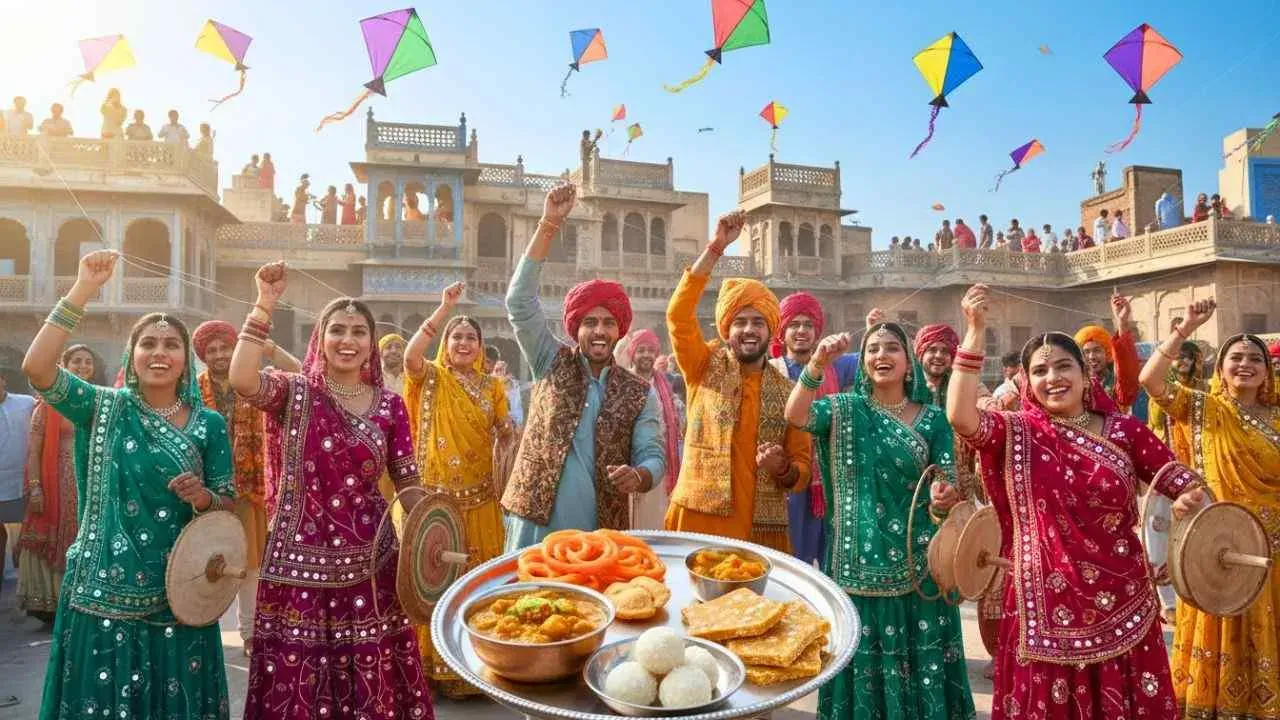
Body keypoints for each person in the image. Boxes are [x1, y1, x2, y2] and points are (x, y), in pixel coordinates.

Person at [947, 283, 1207, 720]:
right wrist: (974, 332)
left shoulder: (1123, 430)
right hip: (1041, 603)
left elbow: (1182, 481)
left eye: (1064, 366)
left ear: (1086, 375)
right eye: (1041, 371)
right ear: (1026, 382)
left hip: (1123, 599)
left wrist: (1187, 500)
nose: (1054, 378)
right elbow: (961, 416)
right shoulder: (1017, 432)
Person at [23, 250, 234, 718]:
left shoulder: (210, 424)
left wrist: (204, 497)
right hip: (102, 587)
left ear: (184, 359)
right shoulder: (102, 406)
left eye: (170, 344)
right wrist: (82, 290)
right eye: (149, 344)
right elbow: (37, 370)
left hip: (181, 589)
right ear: (132, 355)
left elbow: (228, 505)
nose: (159, 353)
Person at [231, 262, 434, 719]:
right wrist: (264, 303)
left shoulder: (390, 405)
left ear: (370, 346)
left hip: (371, 559)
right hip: (300, 560)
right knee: (300, 673)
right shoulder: (295, 393)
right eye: (337, 330)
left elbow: (407, 480)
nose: (347, 340)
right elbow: (242, 379)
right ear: (320, 340)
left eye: (358, 331)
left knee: (371, 667)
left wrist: (429, 536)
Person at [785, 326, 975, 720]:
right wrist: (818, 363)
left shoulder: (933, 418)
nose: (880, 355)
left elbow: (947, 480)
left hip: (920, 565)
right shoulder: (843, 409)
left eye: (892, 348)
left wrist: (943, 496)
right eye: (872, 349)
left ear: (909, 364)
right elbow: (796, 414)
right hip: (856, 567)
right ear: (865, 362)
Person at [501, 185, 665, 550]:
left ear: (620, 330)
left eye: (608, 322)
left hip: (600, 531)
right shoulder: (550, 360)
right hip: (534, 524)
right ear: (575, 328)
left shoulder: (639, 391)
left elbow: (653, 454)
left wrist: (639, 476)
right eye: (590, 322)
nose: (600, 330)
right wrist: (548, 224)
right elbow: (519, 302)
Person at [1139, 300, 1280, 720]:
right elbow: (1150, 380)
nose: (1245, 365)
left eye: (1255, 358)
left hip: (1271, 546)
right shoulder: (1204, 408)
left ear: (1268, 371)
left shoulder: (1277, 417)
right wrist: (1183, 330)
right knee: (1220, 625)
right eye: (1235, 358)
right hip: (1218, 546)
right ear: (1220, 369)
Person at [664, 210, 810, 552]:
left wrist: (782, 468)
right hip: (697, 525)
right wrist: (716, 247)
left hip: (760, 535)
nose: (748, 330)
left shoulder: (789, 392)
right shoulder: (701, 366)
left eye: (758, 322)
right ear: (726, 329)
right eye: (740, 321)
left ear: (770, 331)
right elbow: (678, 314)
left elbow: (801, 470)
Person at [402, 282, 514, 698]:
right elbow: (412, 356)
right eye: (457, 337)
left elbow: (505, 431)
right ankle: (429, 670)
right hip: (436, 504)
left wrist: (510, 437)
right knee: (431, 583)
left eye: (471, 337)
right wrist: (442, 309)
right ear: (446, 345)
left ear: (481, 347)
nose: (463, 342)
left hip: (481, 502)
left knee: (475, 586)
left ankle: (471, 666)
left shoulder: (492, 387)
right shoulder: (431, 378)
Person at [192, 320, 298, 657]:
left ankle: (250, 634)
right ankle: (198, 632)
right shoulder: (192, 390)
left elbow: (301, 372)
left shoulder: (254, 381)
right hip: (204, 491)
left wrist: (267, 348)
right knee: (205, 563)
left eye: (226, 347)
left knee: (250, 565)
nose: (220, 355)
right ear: (203, 356)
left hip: (251, 487)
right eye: (212, 350)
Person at [768, 293, 858, 565]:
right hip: (789, 477)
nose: (802, 331)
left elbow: (876, 364)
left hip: (828, 476)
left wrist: (871, 327)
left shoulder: (836, 366)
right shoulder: (773, 370)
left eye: (808, 325)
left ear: (818, 332)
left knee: (831, 555)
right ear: (782, 333)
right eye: (794, 324)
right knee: (791, 559)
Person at [15, 345, 103, 622]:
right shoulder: (48, 402)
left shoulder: (97, 401)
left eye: (88, 361)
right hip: (58, 481)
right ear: (63, 365)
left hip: (90, 478)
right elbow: (34, 449)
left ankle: (86, 597)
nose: (82, 366)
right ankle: (53, 602)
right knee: (60, 535)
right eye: (76, 361)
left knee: (87, 533)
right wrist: (35, 485)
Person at [1142, 339, 1203, 623]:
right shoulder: (1162, 392)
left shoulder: (1206, 391)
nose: (1183, 362)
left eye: (1188, 357)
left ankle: (1197, 592)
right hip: (1166, 471)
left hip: (1199, 474)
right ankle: (1168, 602)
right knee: (1159, 533)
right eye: (1179, 357)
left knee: (1198, 534)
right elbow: (1155, 425)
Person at [619, 329, 682, 531]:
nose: (646, 355)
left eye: (650, 350)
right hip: (628, 462)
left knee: (656, 520)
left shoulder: (664, 384)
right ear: (632, 354)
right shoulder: (623, 383)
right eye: (641, 350)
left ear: (656, 354)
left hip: (659, 464)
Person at [0, 370, 36, 592]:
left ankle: (28, 585)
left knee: (27, 532)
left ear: (2, 380)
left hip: (23, 480)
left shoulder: (26, 403)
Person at [1074, 295, 1140, 411]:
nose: (1092, 357)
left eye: (1097, 350)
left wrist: (1121, 321)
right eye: (1086, 352)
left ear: (1108, 353)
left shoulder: (1117, 383)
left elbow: (1125, 362)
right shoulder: (1077, 385)